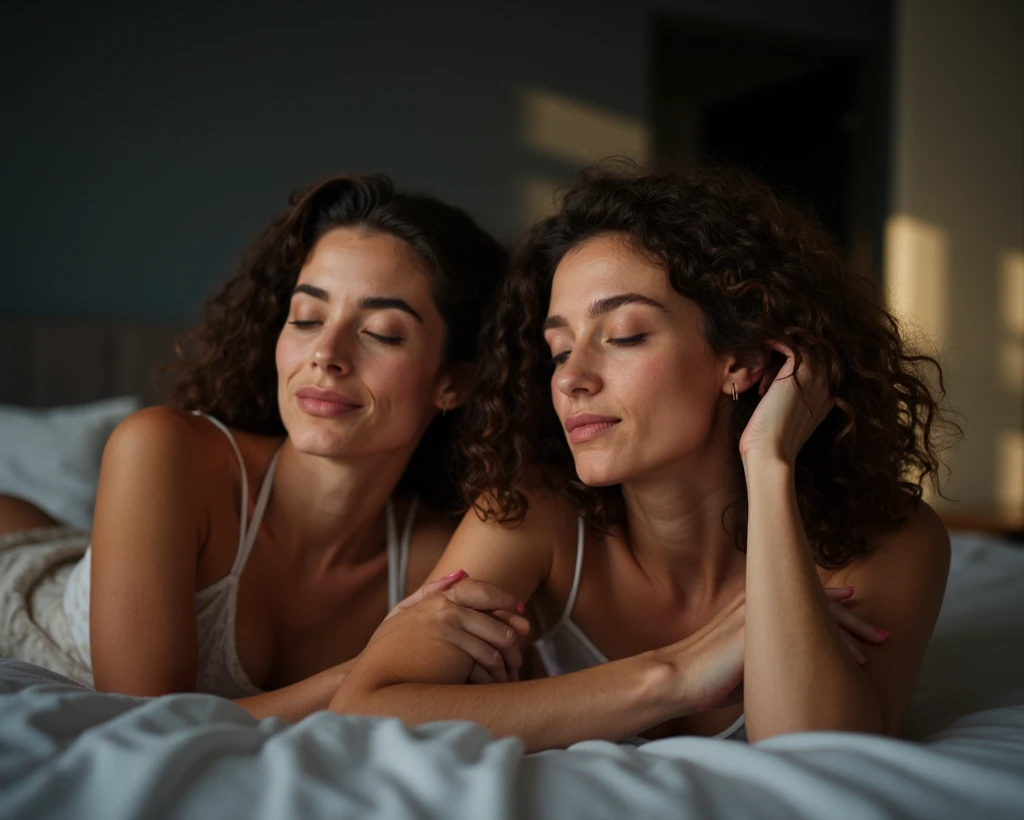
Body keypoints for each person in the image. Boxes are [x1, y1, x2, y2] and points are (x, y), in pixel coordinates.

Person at [329, 164, 955, 751]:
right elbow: (365, 710)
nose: (572, 378)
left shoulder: (892, 541)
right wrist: (672, 674)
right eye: (557, 349)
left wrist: (769, 464)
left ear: (741, 362)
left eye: (623, 335)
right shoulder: (530, 514)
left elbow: (820, 756)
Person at [0, 174, 529, 721]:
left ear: (454, 383)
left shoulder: (436, 560)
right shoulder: (161, 447)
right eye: (306, 318)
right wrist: (370, 671)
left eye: (381, 332)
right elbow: (145, 723)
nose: (325, 353)